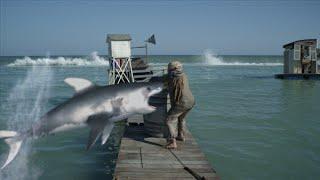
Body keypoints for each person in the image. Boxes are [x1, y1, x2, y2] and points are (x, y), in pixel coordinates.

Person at [164, 61, 195, 149]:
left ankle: (172, 142)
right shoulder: (184, 75)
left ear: (172, 69)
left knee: (169, 120)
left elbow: (167, 80)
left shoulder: (172, 76)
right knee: (181, 118)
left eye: (169, 69)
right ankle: (181, 136)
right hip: (191, 101)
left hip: (182, 102)